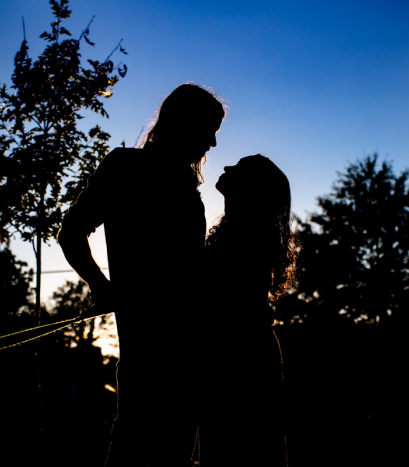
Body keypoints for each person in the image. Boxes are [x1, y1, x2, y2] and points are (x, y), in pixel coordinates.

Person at [57, 83, 225, 466]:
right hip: (148, 352)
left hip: (192, 352)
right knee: (133, 450)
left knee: (173, 458)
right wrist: (100, 286)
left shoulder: (187, 186)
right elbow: (71, 233)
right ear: (183, 122)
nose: (214, 142)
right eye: (209, 128)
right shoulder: (124, 167)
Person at [197, 155, 295, 466]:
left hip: (241, 356)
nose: (226, 168)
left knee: (239, 453)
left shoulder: (246, 236)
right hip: (239, 353)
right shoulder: (237, 232)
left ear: (252, 188)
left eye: (238, 167)